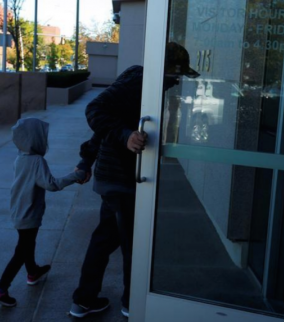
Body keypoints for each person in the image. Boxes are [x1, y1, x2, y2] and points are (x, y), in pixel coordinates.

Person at [70, 42, 200, 318]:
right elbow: (96, 110)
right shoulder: (140, 82)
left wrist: (86, 160)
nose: (176, 83)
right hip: (122, 180)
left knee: (105, 239)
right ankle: (132, 302)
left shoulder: (139, 79)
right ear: (163, 71)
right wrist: (127, 135)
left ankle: (83, 300)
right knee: (134, 244)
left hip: (115, 180)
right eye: (175, 76)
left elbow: (106, 123)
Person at [0, 118, 86, 307]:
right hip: (29, 212)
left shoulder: (20, 157)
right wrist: (76, 176)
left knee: (27, 243)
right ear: (36, 138)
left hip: (19, 210)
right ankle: (0, 289)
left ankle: (32, 272)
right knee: (21, 250)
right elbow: (52, 184)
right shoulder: (37, 160)